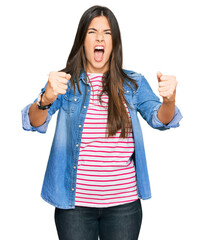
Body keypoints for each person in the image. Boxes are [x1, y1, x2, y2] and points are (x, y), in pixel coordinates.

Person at [21, 5, 182, 240]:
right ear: (82, 41)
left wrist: (169, 100)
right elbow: (33, 122)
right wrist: (45, 98)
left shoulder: (133, 84)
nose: (99, 38)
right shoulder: (64, 83)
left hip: (124, 205)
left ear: (114, 42)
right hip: (74, 206)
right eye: (91, 32)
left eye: (107, 33)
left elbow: (160, 119)